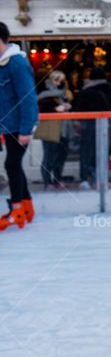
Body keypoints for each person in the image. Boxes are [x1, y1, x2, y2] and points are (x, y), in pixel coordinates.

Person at [0, 21, 38, 231]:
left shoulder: (16, 63)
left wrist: (26, 128)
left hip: (18, 125)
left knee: (11, 165)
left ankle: (18, 209)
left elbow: (28, 98)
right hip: (7, 125)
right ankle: (26, 206)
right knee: (14, 164)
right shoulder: (3, 64)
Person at [74, 66, 111, 190]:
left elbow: (78, 110)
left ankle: (85, 178)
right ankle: (101, 178)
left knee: (86, 153)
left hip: (88, 126)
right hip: (106, 126)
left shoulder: (86, 91)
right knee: (103, 152)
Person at [36, 70, 71, 190]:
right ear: (51, 80)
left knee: (60, 155)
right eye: (57, 80)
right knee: (49, 155)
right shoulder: (45, 94)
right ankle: (47, 181)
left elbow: (66, 105)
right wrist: (57, 109)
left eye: (62, 80)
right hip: (48, 128)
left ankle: (57, 179)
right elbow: (42, 110)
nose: (60, 83)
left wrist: (67, 106)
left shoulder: (63, 94)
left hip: (62, 128)